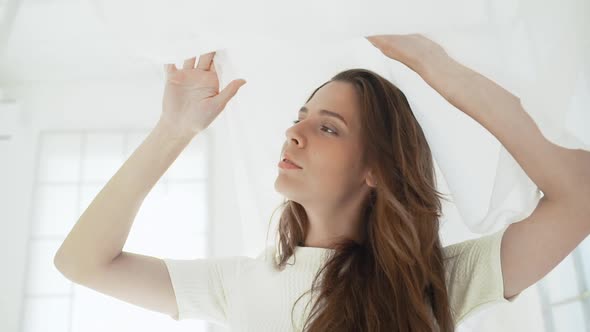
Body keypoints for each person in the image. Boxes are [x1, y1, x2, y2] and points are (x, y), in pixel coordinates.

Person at [54, 34, 590, 332]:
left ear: (375, 169)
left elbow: (579, 195)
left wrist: (447, 76)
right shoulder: (235, 282)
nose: (294, 131)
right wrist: (173, 130)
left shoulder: (438, 281)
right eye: (301, 115)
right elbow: (81, 262)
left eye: (327, 126)